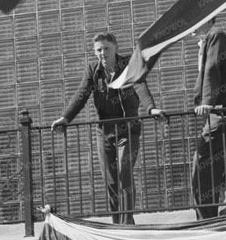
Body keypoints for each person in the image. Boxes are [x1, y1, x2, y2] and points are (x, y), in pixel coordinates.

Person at [51, 32, 163, 224]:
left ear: (116, 48)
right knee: (111, 181)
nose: (102, 53)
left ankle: (127, 223)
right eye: (98, 50)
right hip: (104, 133)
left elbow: (140, 86)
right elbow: (82, 94)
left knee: (124, 172)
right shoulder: (93, 69)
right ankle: (117, 223)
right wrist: (65, 118)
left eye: (106, 49)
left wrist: (151, 109)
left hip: (128, 130)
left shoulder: (128, 64)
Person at [191, 17, 226, 218]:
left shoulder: (215, 35)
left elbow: (212, 69)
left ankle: (207, 219)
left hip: (219, 112)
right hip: (223, 112)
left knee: (202, 165)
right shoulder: (208, 40)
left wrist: (207, 101)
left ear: (206, 20)